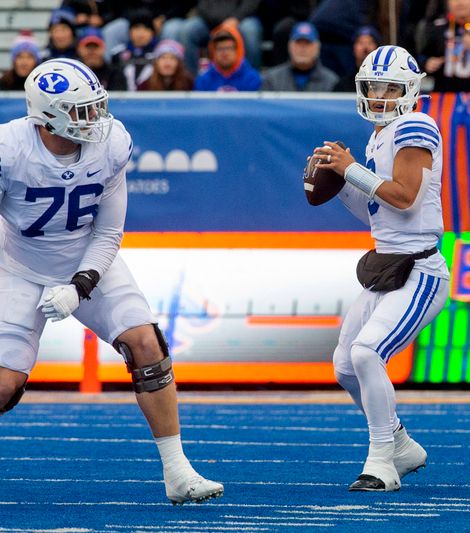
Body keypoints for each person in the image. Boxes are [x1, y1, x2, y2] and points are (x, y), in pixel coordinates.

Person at [0, 58, 224, 505]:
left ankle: (178, 471)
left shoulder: (111, 143)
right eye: (81, 111)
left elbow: (108, 231)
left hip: (87, 257)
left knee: (146, 344)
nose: (95, 120)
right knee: (5, 385)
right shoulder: (9, 149)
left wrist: (81, 284)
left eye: (95, 107)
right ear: (47, 116)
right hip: (17, 266)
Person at [310, 45, 449, 491]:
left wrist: (351, 169)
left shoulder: (416, 125)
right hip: (388, 267)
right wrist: (339, 177)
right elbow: (378, 209)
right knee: (345, 366)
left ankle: (382, 461)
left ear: (410, 91)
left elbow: (404, 197)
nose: (381, 95)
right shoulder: (378, 135)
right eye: (374, 86)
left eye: (391, 87)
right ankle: (402, 444)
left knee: (368, 352)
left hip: (421, 270)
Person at [178, 0, 263, 74]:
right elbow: (202, 5)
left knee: (250, 30)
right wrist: (219, 22)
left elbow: (251, 3)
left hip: (242, 19)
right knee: (188, 30)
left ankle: (253, 80)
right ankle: (192, 80)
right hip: (209, 21)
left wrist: (236, 18)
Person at [261, 22, 339, 92]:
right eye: (298, 43)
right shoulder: (272, 80)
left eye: (307, 43)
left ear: (317, 47)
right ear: (289, 46)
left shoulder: (331, 82)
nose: (302, 49)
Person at [194, 24, 261, 92]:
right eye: (220, 49)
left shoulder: (252, 79)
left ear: (237, 51)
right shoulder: (203, 81)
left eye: (229, 48)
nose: (225, 53)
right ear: (213, 52)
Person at [109, 9, 158, 91]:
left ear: (152, 33)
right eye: (136, 28)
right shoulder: (117, 53)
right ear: (129, 31)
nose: (141, 33)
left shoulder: (159, 54)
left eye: (146, 28)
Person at [333, 25, 380, 93]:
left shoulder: (385, 83)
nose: (365, 47)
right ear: (353, 48)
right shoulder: (343, 85)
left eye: (370, 43)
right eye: (361, 43)